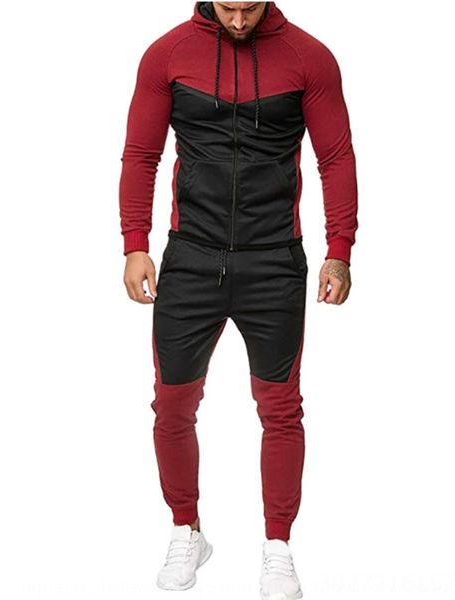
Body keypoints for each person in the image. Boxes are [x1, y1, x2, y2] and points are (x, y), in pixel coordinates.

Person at [118, 1, 358, 597]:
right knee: (172, 405)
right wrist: (134, 244)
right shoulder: (167, 55)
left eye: (251, 6)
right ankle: (186, 528)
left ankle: (278, 545)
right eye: (229, 7)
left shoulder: (309, 58)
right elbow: (142, 155)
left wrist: (339, 249)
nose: (241, 20)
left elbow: (335, 158)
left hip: (274, 261)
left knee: (281, 408)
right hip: (191, 258)